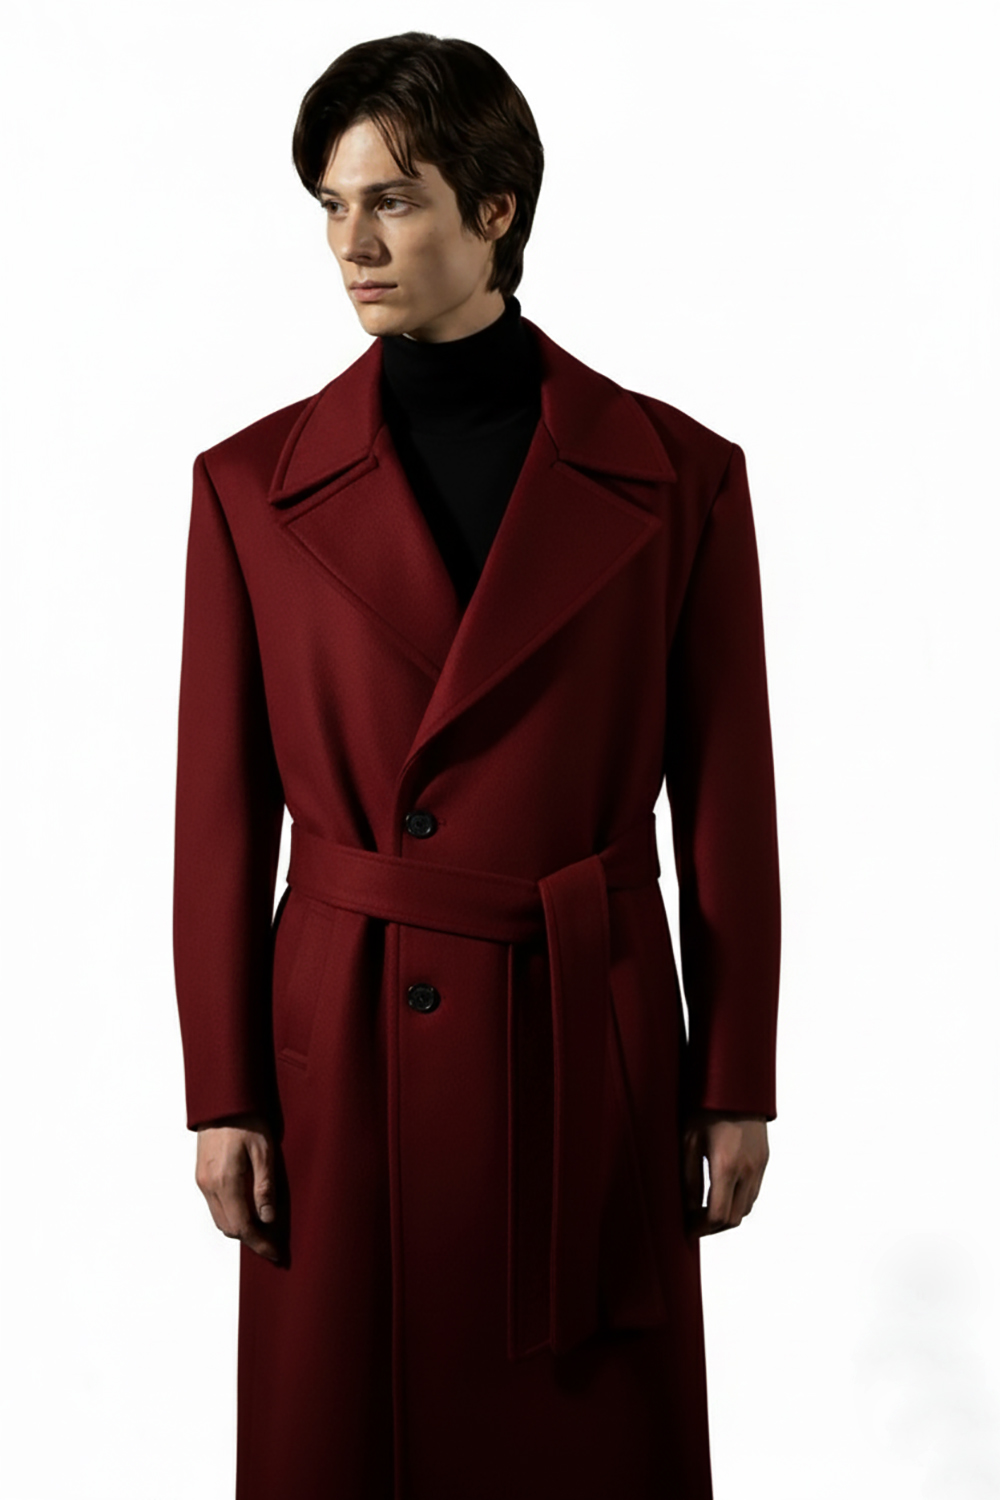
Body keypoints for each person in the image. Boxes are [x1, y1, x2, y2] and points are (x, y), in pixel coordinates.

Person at [173, 30, 780, 1500]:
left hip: (583, 1028)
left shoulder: (679, 475)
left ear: (496, 208)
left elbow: (729, 802)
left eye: (395, 200)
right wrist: (223, 1091)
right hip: (345, 1042)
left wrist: (735, 1074)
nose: (353, 245)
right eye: (332, 205)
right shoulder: (249, 485)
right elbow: (216, 819)